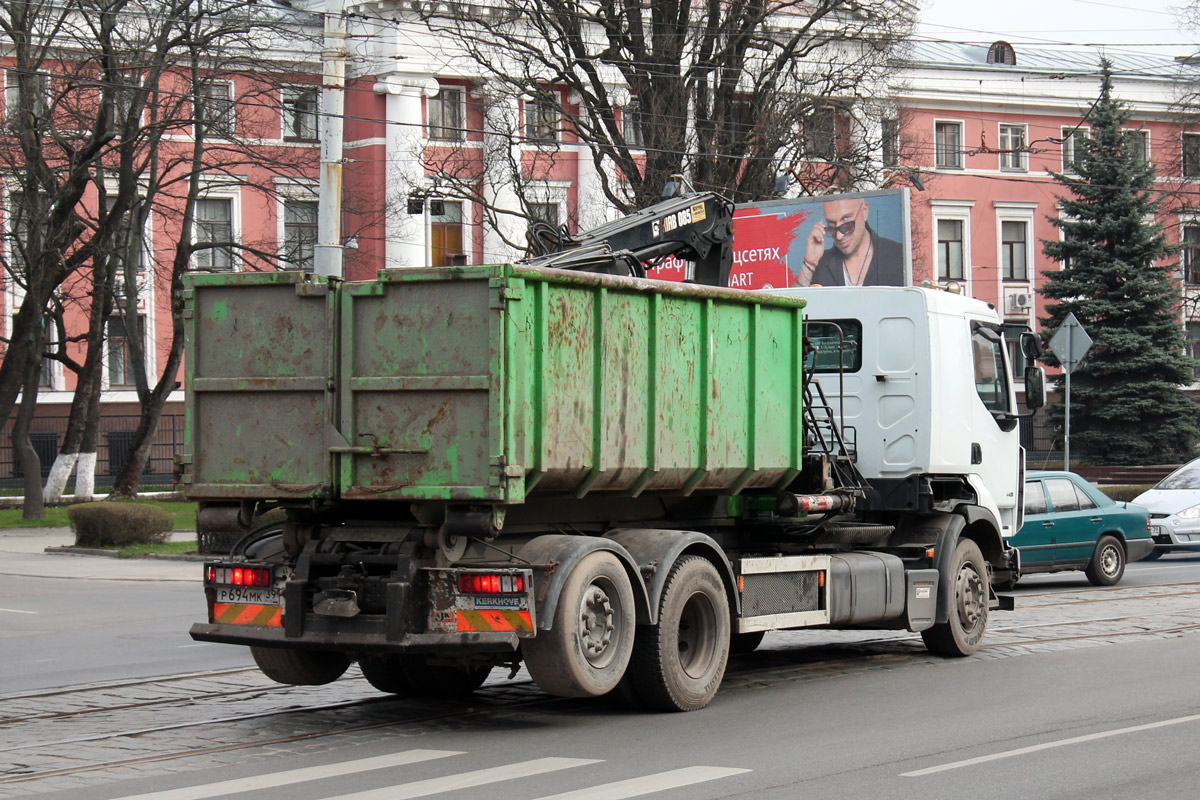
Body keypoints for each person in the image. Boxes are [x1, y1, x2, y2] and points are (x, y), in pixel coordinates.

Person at [795, 198, 904, 287]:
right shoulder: (821, 262)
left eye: (846, 221)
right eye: (831, 226)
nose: (839, 236)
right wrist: (810, 261)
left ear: (864, 211)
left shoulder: (897, 255)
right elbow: (794, 306)